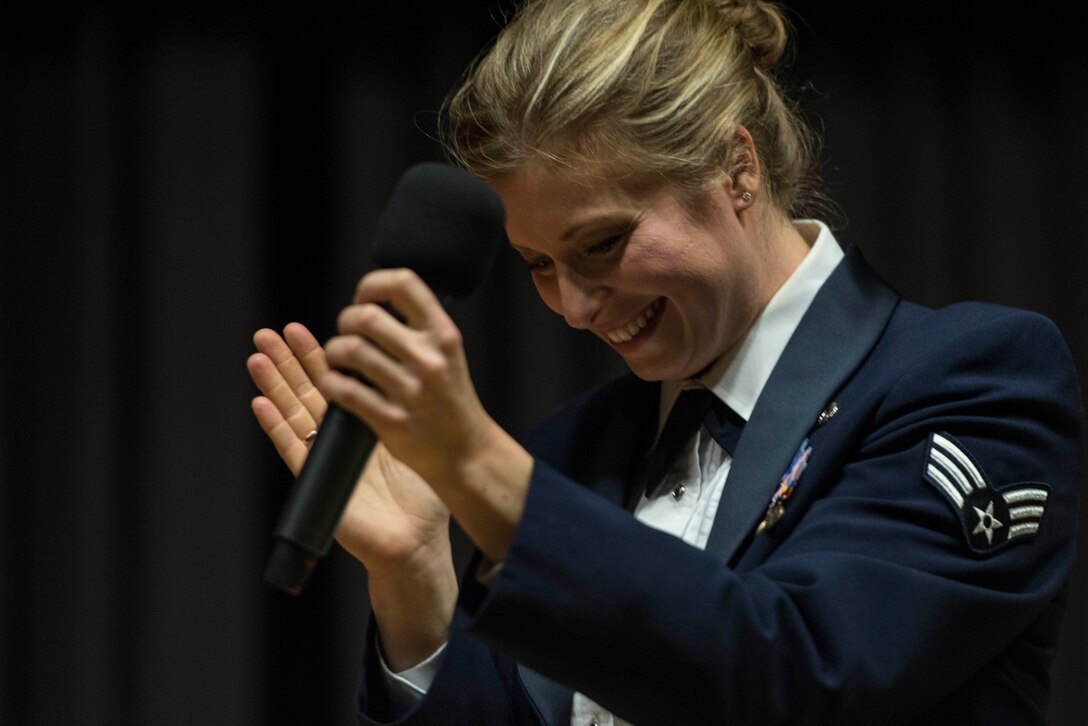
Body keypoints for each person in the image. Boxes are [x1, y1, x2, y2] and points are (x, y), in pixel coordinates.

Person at [246, 0, 1085, 723]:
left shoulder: (974, 379)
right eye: (539, 264)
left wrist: (481, 468)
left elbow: (795, 680)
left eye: (603, 243)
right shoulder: (565, 457)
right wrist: (415, 570)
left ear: (737, 169)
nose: (573, 306)